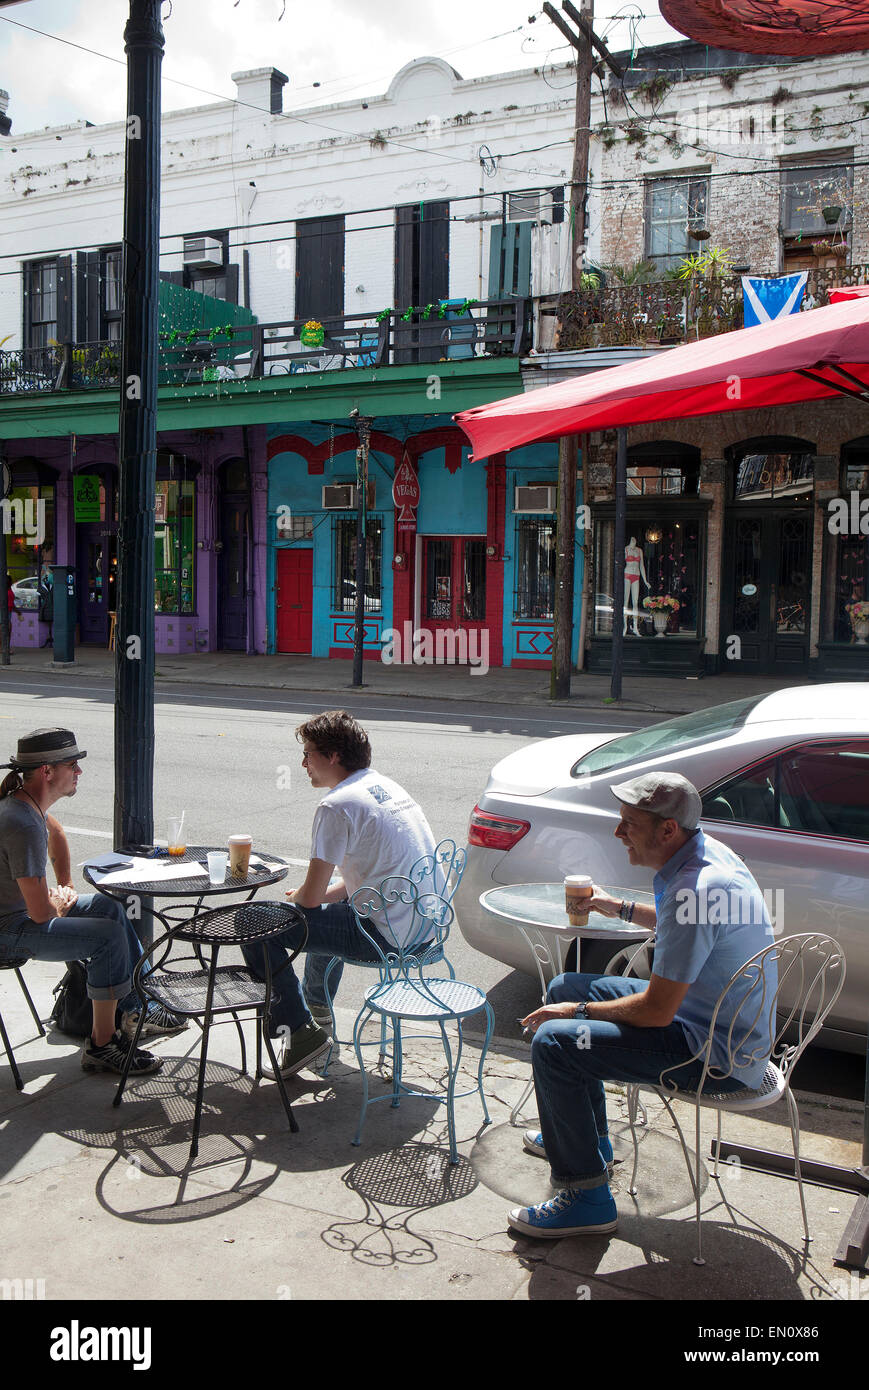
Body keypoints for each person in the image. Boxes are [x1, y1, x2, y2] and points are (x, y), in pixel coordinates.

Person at [508, 771, 777, 1240]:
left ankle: (586, 1198)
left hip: (715, 1057)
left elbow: (656, 1012)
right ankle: (590, 1145)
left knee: (555, 1041)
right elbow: (687, 922)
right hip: (717, 1026)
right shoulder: (707, 857)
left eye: (629, 822)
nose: (618, 833)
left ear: (667, 830)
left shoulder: (693, 885)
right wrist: (619, 908)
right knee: (567, 985)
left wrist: (574, 1016)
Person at [242, 709, 436, 1079]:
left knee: (252, 921)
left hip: (385, 937)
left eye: (309, 753)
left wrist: (299, 896)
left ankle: (299, 1032)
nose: (303, 764)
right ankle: (318, 1012)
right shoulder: (386, 787)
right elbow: (376, 871)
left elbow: (309, 901)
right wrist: (312, 897)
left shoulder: (337, 805)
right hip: (423, 929)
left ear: (332, 756)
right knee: (324, 915)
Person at [0, 727, 185, 1079]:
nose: (80, 773)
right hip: (9, 929)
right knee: (107, 937)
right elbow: (40, 913)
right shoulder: (21, 822)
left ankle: (133, 1009)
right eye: (73, 765)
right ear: (47, 772)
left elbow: (56, 834)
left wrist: (66, 885)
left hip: (21, 915)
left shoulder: (27, 805)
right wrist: (56, 900)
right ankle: (102, 1046)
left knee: (109, 908)